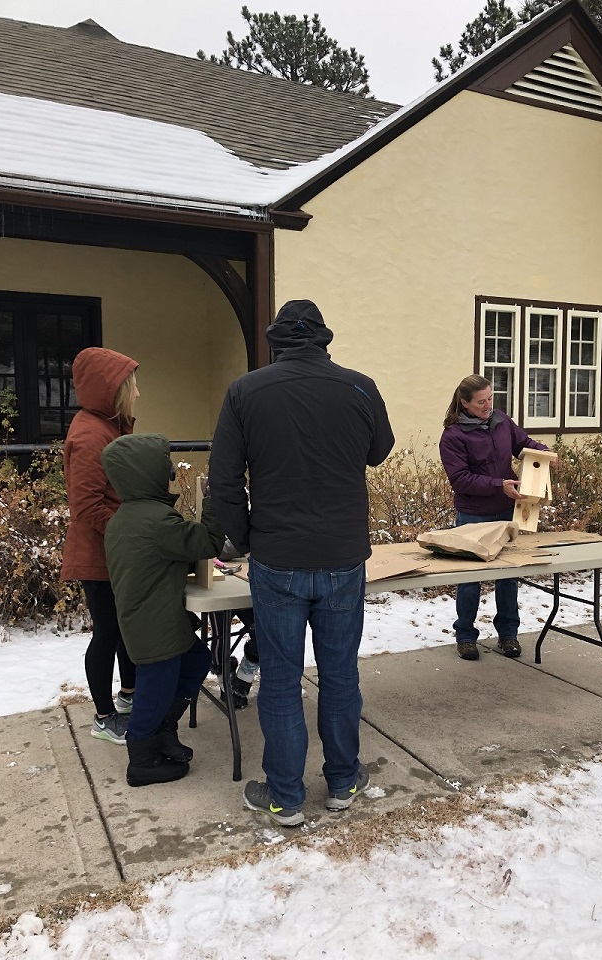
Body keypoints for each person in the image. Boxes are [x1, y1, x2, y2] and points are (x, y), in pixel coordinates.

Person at [209, 299, 394, 827]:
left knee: (283, 679)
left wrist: (245, 539)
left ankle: (285, 795)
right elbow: (380, 450)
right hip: (341, 557)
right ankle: (342, 781)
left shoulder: (245, 391)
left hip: (278, 558)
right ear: (324, 341)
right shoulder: (359, 386)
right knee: (340, 674)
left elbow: (223, 481)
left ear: (274, 342)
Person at [101, 433, 226, 787]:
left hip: (152, 620)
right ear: (147, 473)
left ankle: (164, 730)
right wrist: (215, 500)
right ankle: (142, 761)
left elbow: (159, 557)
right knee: (153, 693)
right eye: (165, 466)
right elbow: (208, 542)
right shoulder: (156, 521)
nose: (171, 472)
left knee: (197, 659)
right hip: (155, 629)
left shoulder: (129, 516)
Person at [439, 374, 550, 662]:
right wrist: (497, 484)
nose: (488, 405)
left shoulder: (501, 420)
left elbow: (522, 444)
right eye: (481, 402)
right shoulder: (453, 436)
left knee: (508, 576)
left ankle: (508, 635)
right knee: (470, 579)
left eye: (490, 399)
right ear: (464, 403)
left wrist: (544, 452)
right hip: (473, 516)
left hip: (506, 510)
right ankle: (465, 636)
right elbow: (461, 480)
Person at [60, 347, 139, 745]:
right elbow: (87, 504)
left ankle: (128, 697)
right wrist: (130, 532)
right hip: (99, 554)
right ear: (111, 389)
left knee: (126, 631)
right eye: (132, 386)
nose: (138, 394)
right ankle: (104, 717)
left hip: (117, 552)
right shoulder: (91, 434)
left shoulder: (111, 426)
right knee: (107, 633)